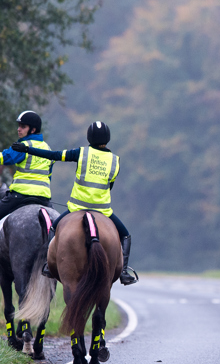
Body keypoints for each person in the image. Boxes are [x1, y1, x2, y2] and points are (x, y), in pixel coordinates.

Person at [13, 121, 138, 285]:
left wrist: (28, 149)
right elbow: (110, 186)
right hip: (103, 211)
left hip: (76, 208)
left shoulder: (81, 153)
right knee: (126, 235)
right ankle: (123, 272)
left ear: (89, 137)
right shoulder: (115, 161)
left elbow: (54, 155)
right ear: (107, 139)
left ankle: (48, 266)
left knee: (53, 227)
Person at [0, 111, 53, 219]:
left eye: (23, 127)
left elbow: (4, 158)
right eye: (19, 126)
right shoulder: (48, 149)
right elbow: (49, 176)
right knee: (57, 228)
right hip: (43, 198)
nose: (18, 129)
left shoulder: (23, 146)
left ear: (33, 130)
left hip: (19, 195)